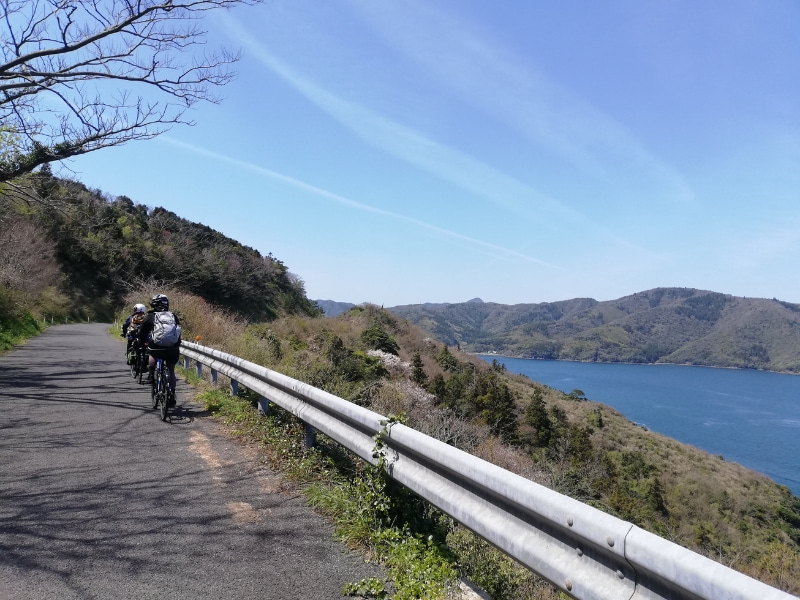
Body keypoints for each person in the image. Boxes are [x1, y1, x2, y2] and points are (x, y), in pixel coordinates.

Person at [138, 294, 182, 403]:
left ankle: (151, 375)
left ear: (154, 304)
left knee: (152, 353)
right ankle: (171, 394)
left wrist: (141, 343)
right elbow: (178, 332)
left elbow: (142, 332)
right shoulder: (173, 316)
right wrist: (177, 344)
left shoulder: (150, 316)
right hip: (172, 347)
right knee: (171, 370)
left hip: (156, 346)